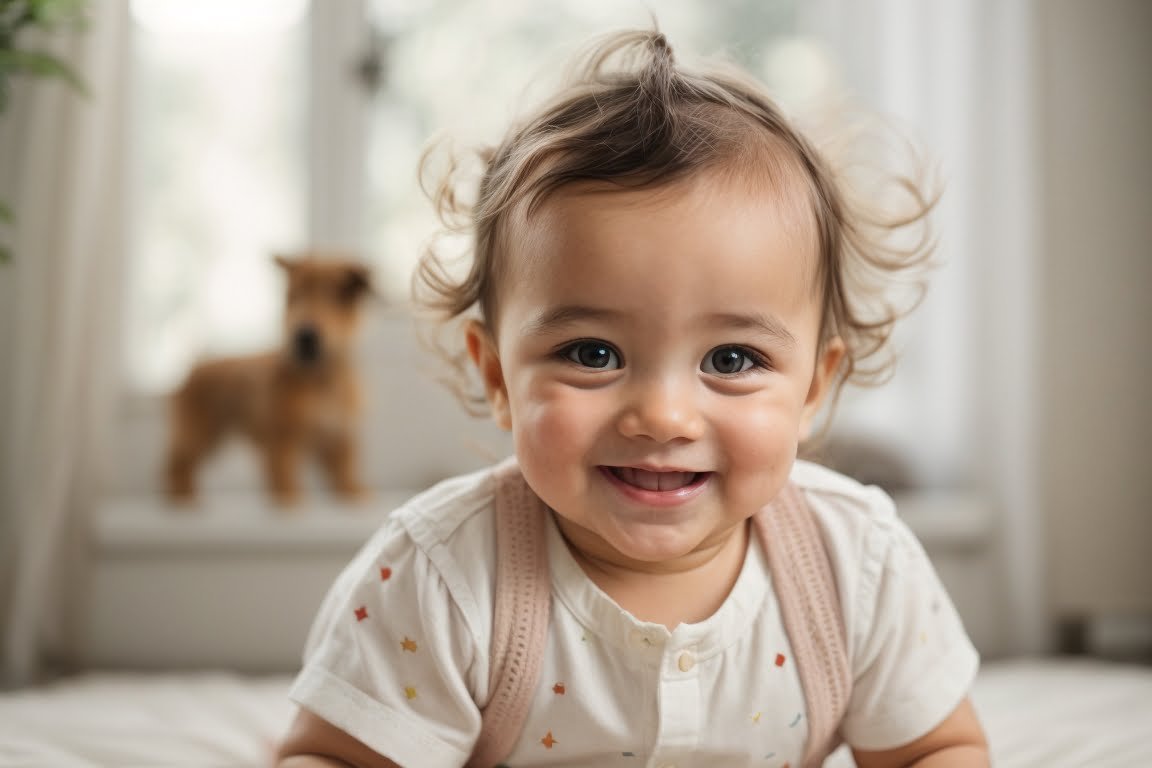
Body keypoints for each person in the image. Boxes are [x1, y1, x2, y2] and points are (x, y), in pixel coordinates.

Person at [276, 28, 988, 768]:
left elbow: (935, 749)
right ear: (498, 379)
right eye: (593, 355)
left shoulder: (858, 563)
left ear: (812, 388)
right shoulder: (444, 576)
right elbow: (331, 755)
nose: (662, 416)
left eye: (732, 359)